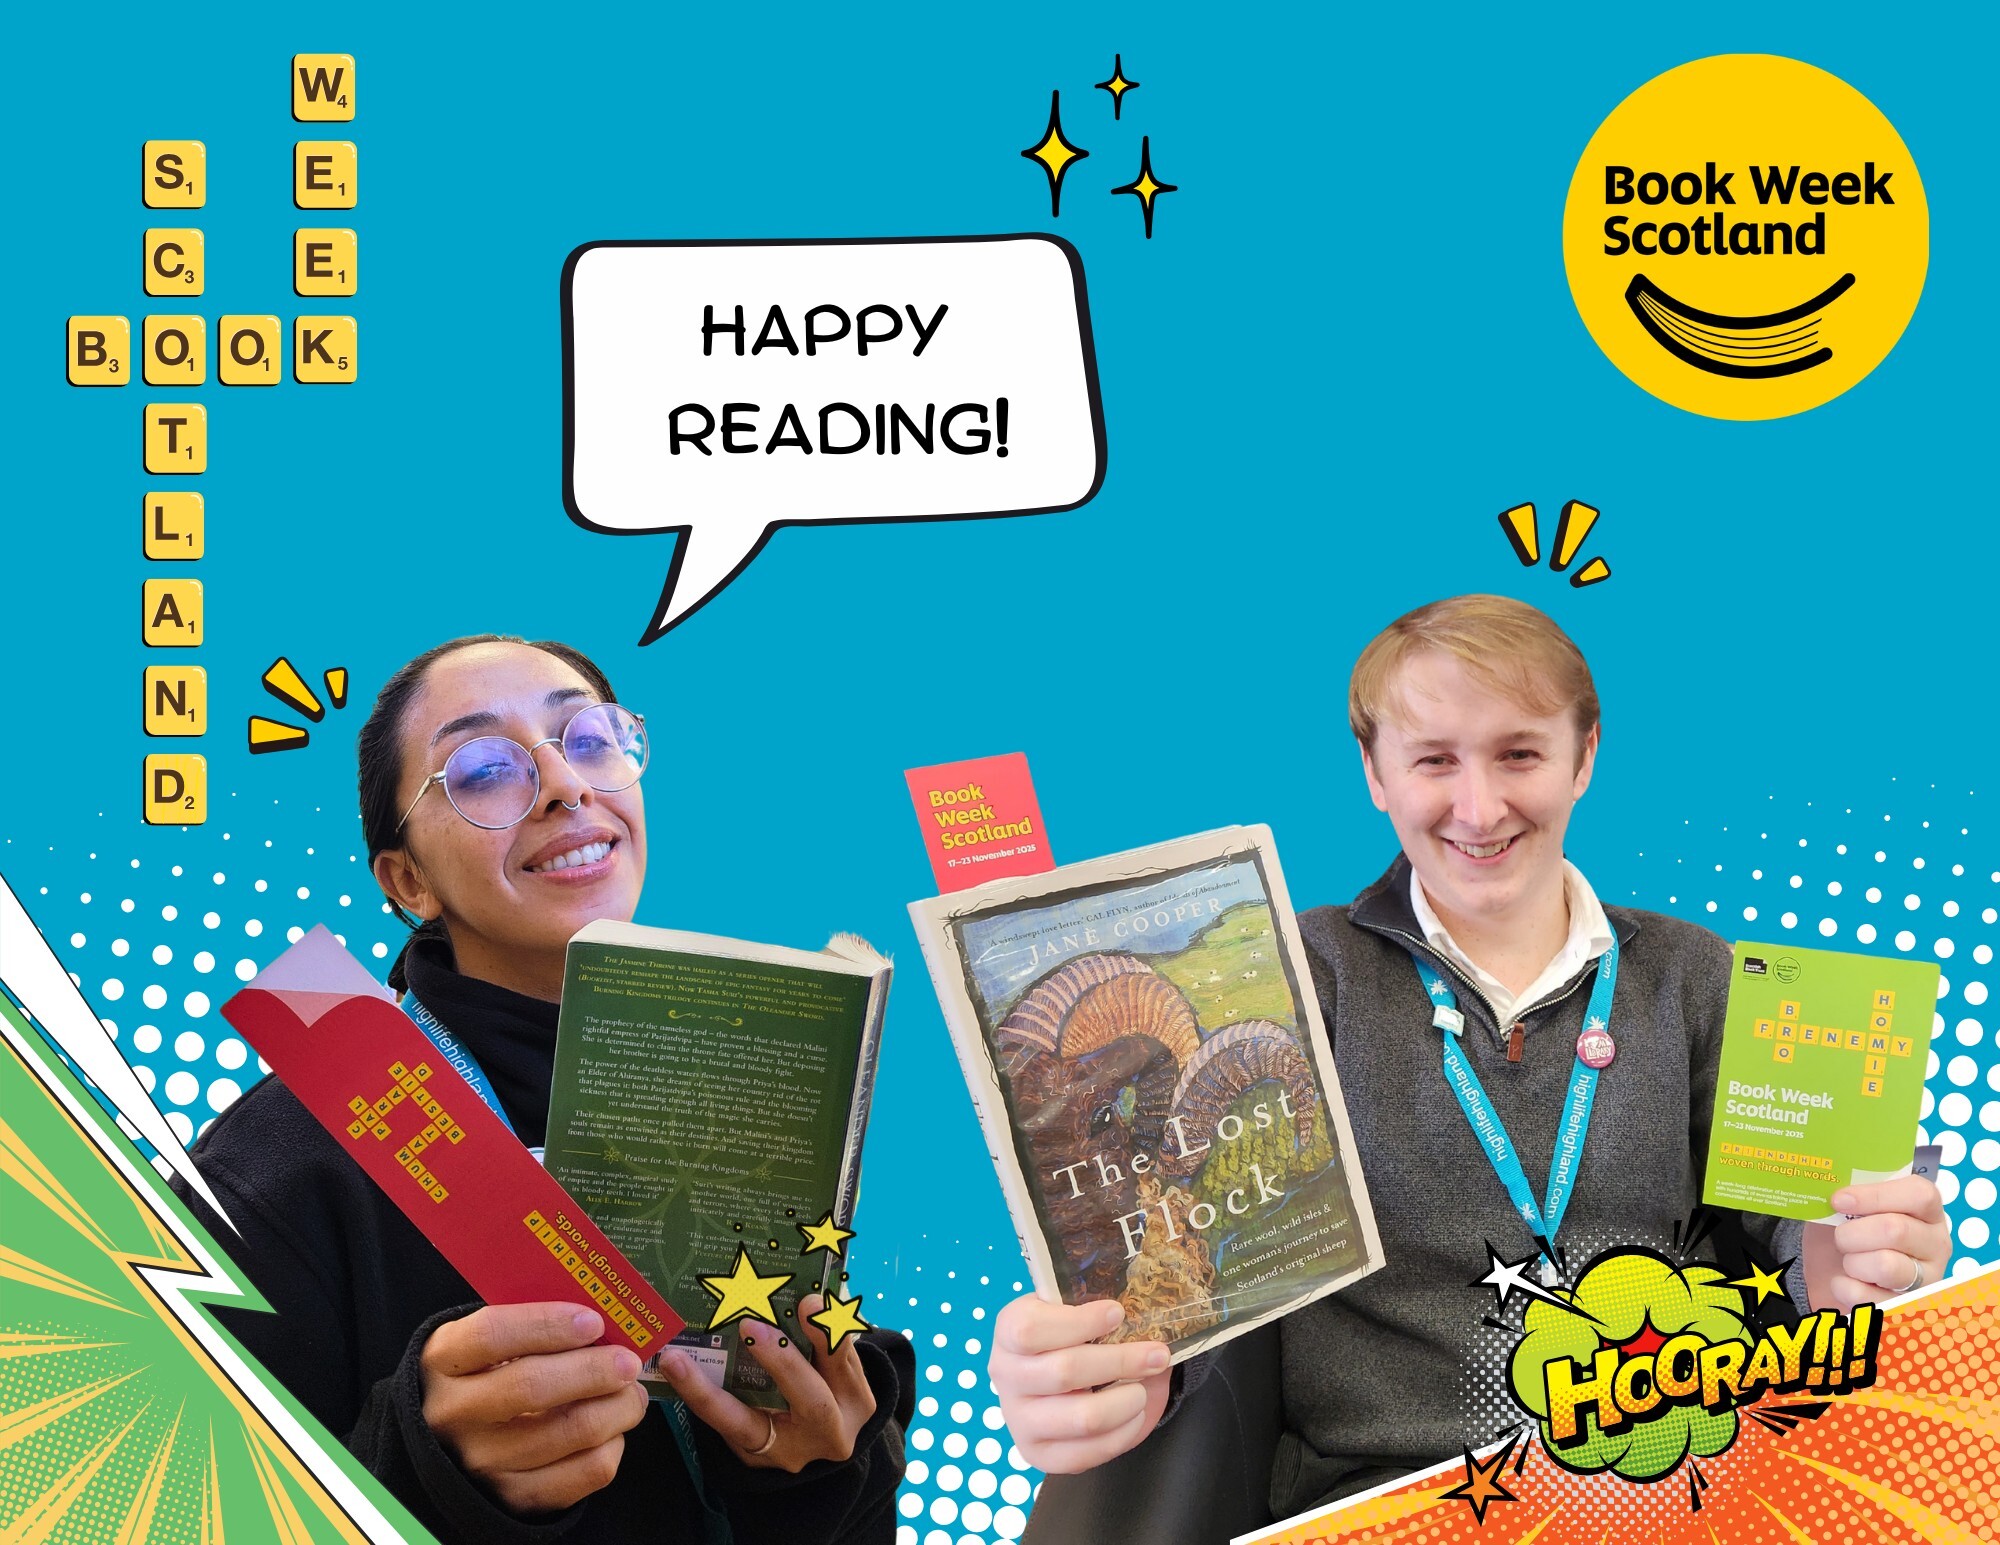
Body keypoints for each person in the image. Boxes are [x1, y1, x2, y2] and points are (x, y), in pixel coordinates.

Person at [990, 595, 1951, 1540]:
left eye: (1520, 753)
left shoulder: (1693, 973)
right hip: (1380, 1504)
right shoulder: (1301, 976)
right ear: (1374, 771)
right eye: (1435, 760)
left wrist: (1848, 1264)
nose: (1480, 807)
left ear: (1585, 756)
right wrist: (1108, 1368)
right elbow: (1200, 1246)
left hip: (1676, 1487)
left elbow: (1797, 1239)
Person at [173, 635, 911, 1544]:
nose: (568, 784)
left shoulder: (743, 1083)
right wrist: (415, 1466)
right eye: (484, 769)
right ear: (407, 881)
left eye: (592, 736)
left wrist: (816, 1475)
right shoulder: (272, 1169)